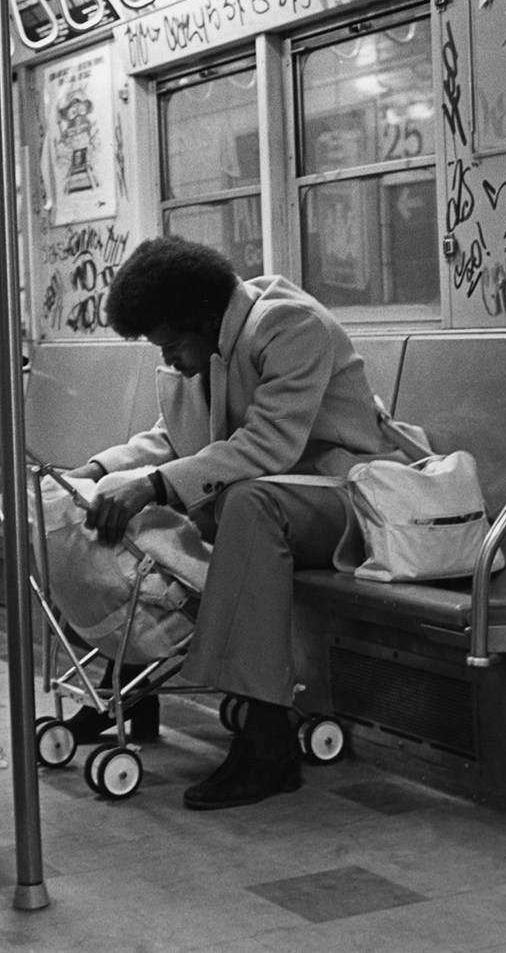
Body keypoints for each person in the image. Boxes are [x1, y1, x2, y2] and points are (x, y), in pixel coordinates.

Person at [64, 237, 409, 810]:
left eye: (172, 345)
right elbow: (173, 437)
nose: (169, 359)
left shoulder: (288, 325)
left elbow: (269, 443)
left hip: (350, 501)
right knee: (147, 503)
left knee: (242, 503)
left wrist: (153, 484)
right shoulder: (212, 342)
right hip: (274, 502)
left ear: (203, 316)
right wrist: (98, 471)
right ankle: (129, 686)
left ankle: (269, 743)